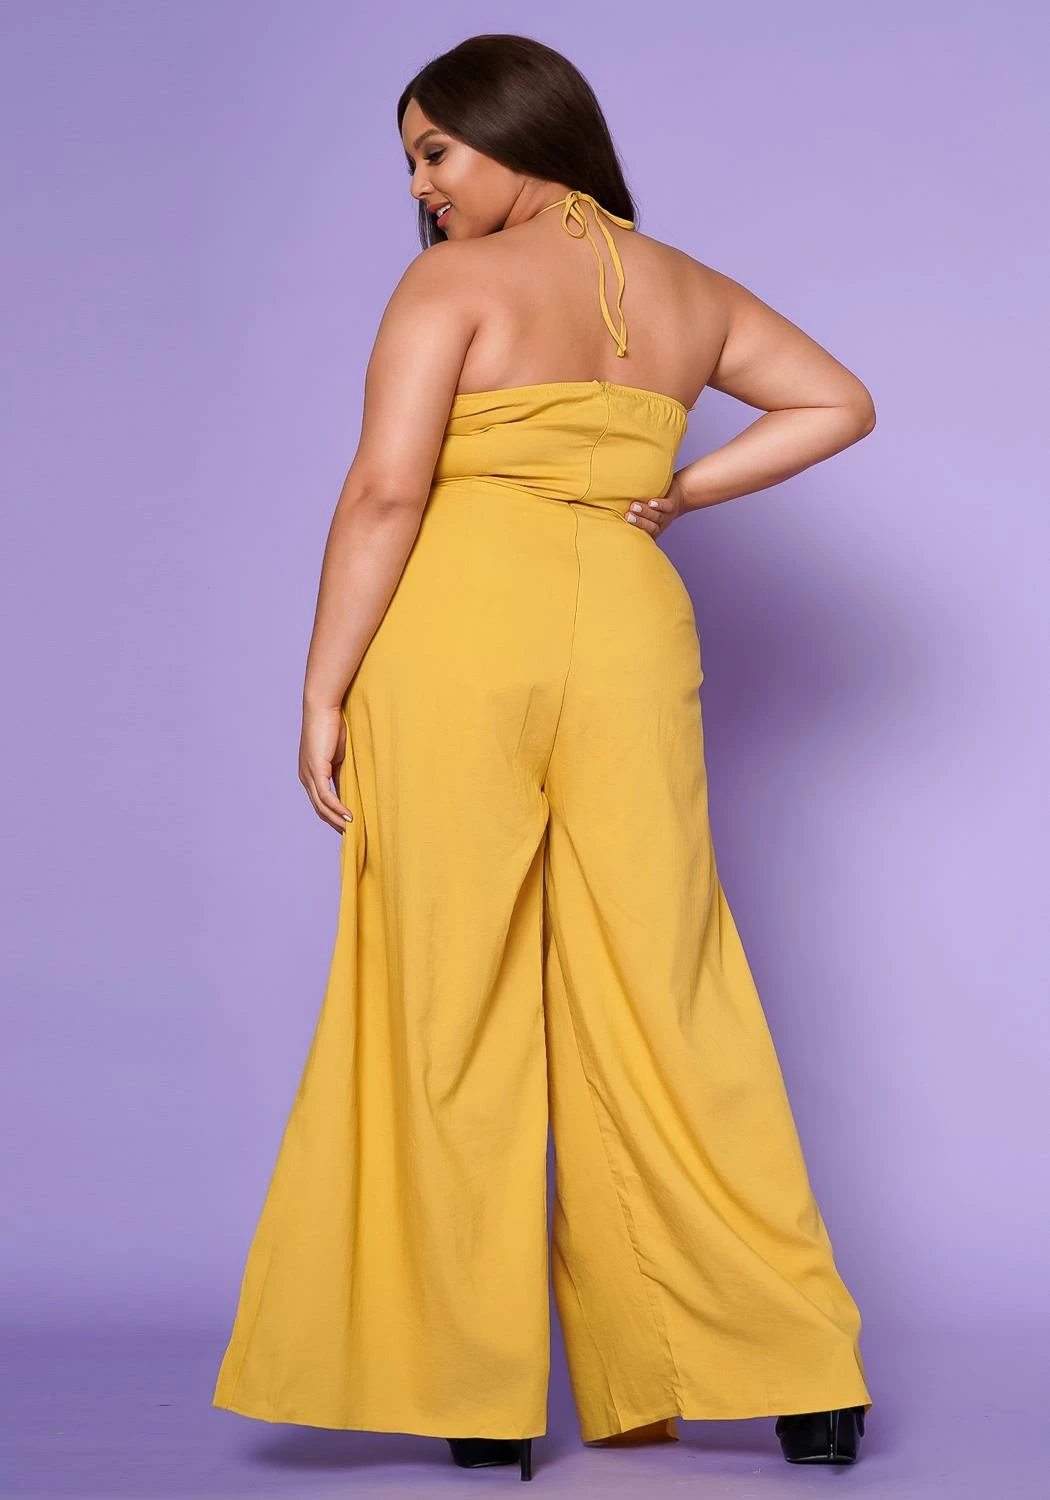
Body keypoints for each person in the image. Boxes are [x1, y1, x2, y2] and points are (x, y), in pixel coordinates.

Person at [211, 33, 877, 1483]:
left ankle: (479, 1390)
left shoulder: (450, 285)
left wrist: (320, 689)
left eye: (435, 150)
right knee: (671, 984)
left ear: (517, 131)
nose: (421, 185)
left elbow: (388, 491)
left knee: (447, 992)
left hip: (460, 630)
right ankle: (800, 1381)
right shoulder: (688, 288)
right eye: (411, 161)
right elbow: (840, 402)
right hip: (630, 628)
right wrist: (673, 491)